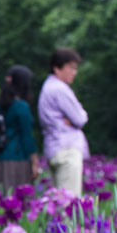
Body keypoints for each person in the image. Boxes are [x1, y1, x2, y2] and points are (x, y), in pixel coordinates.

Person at [37, 48, 88, 196]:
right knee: (69, 205)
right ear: (57, 68)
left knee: (59, 201)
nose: (74, 72)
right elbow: (81, 118)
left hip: (54, 149)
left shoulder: (47, 86)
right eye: (71, 68)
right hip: (67, 151)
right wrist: (78, 117)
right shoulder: (60, 89)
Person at [0, 65, 40, 191]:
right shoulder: (21, 106)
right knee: (17, 198)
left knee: (1, 198)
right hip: (18, 159)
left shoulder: (0, 105)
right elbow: (27, 136)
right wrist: (34, 161)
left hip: (0, 156)